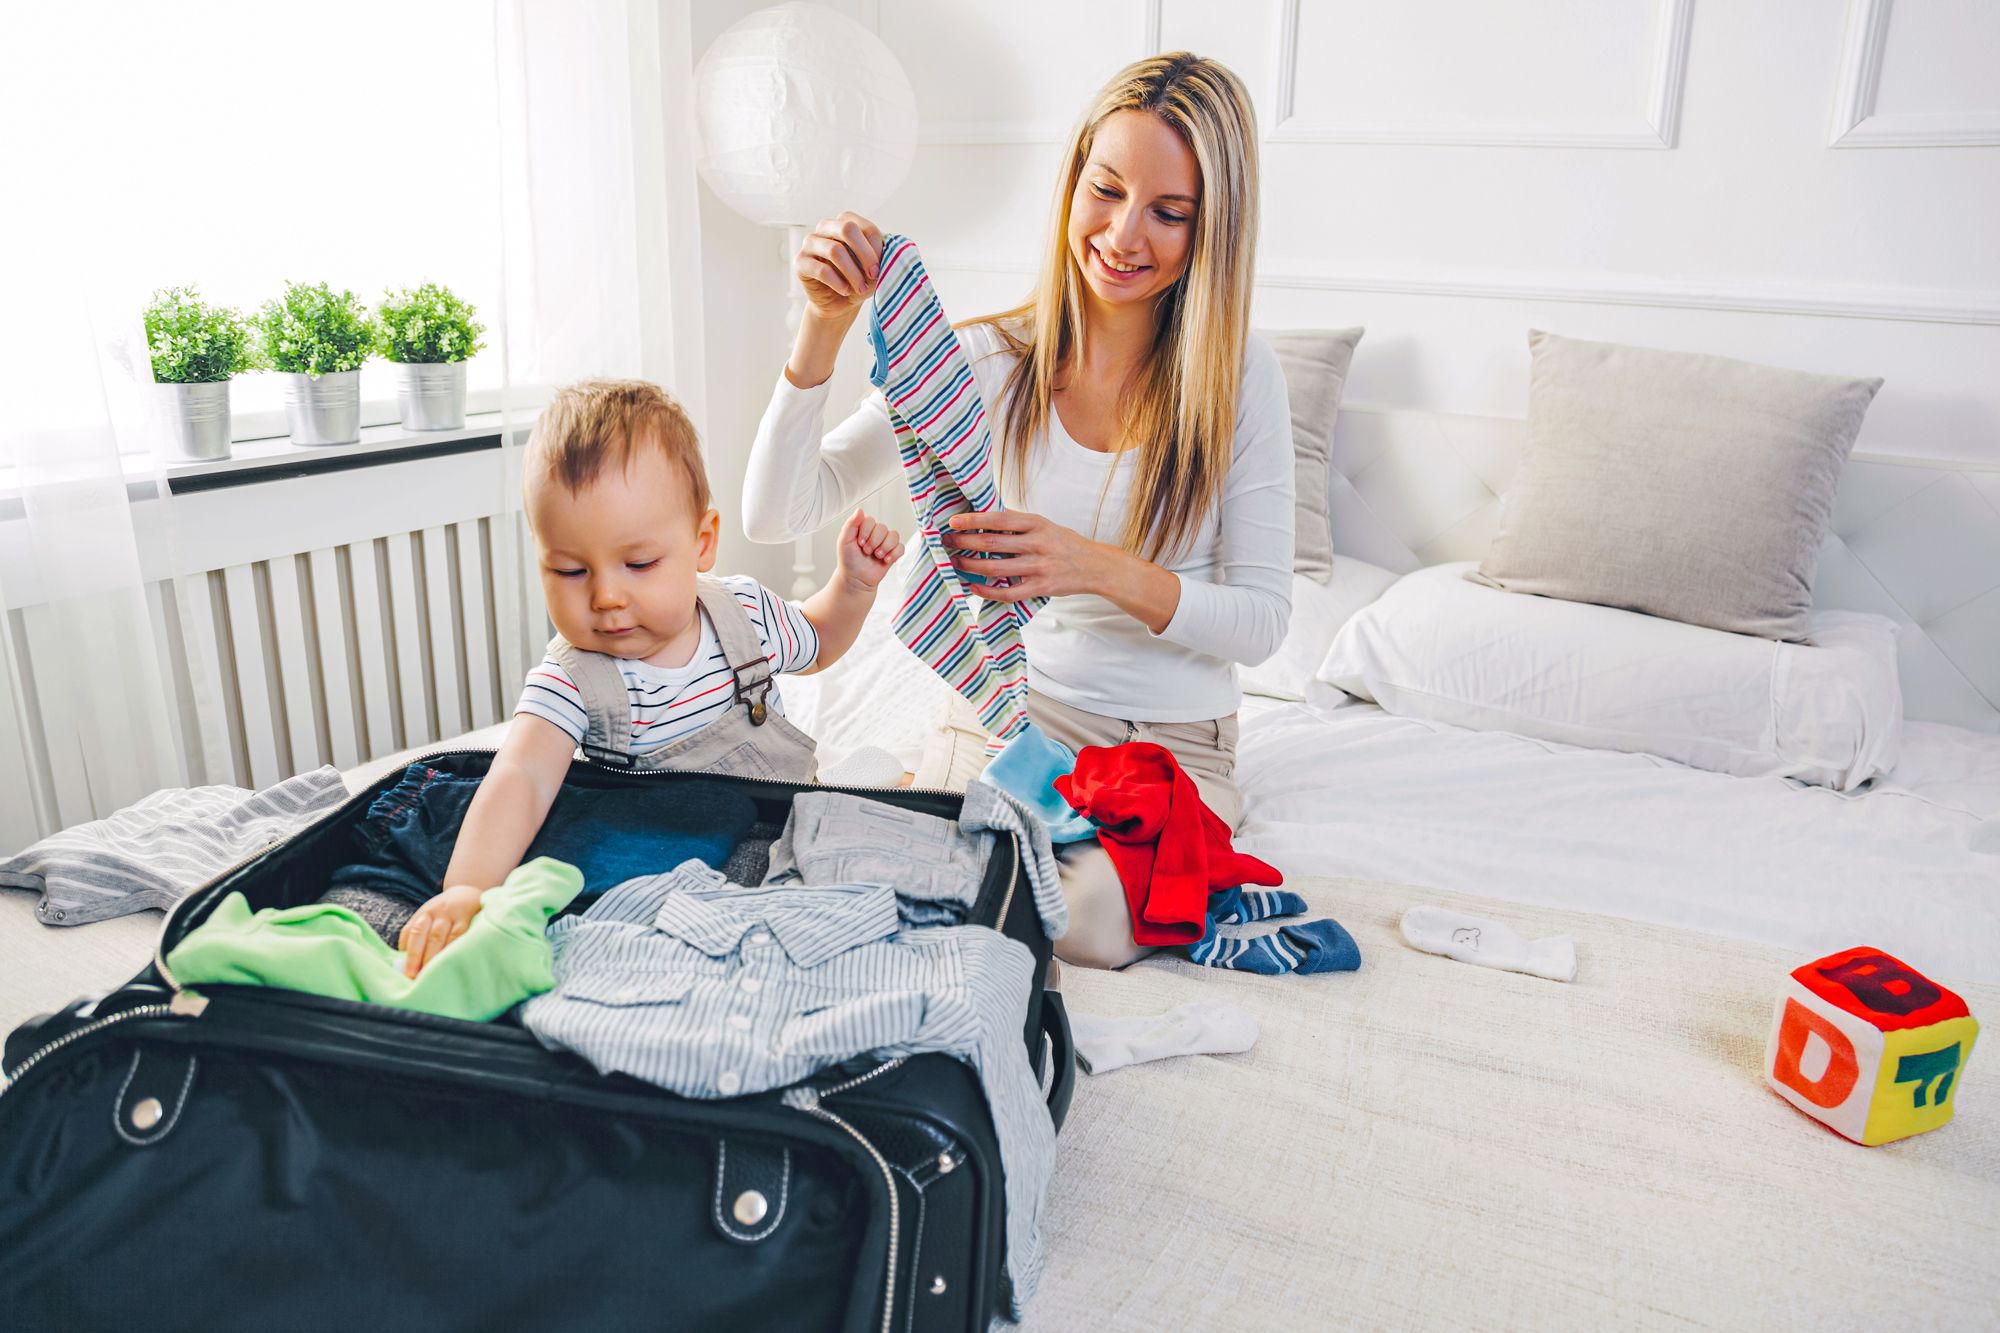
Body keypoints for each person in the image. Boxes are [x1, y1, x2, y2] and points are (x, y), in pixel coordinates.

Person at [742, 53, 1292, 969]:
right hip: (1019, 714)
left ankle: (910, 817)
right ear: (1073, 183)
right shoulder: (989, 364)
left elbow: (1264, 622)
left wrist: (1090, 566)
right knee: (861, 875)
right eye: (1105, 190)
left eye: (1168, 212)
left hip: (1173, 745)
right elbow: (776, 509)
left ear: (1213, 232)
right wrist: (823, 328)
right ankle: (895, 800)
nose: (1122, 234)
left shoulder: (1238, 380)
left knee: (1092, 931)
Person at [400, 379, 903, 975]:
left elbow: (818, 642)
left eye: (638, 564)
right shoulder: (572, 680)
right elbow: (520, 780)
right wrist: (467, 888)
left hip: (782, 821)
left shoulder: (743, 614)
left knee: (871, 811)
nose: (607, 596)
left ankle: (853, 790)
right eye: (568, 570)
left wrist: (853, 586)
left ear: (702, 543)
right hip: (667, 871)